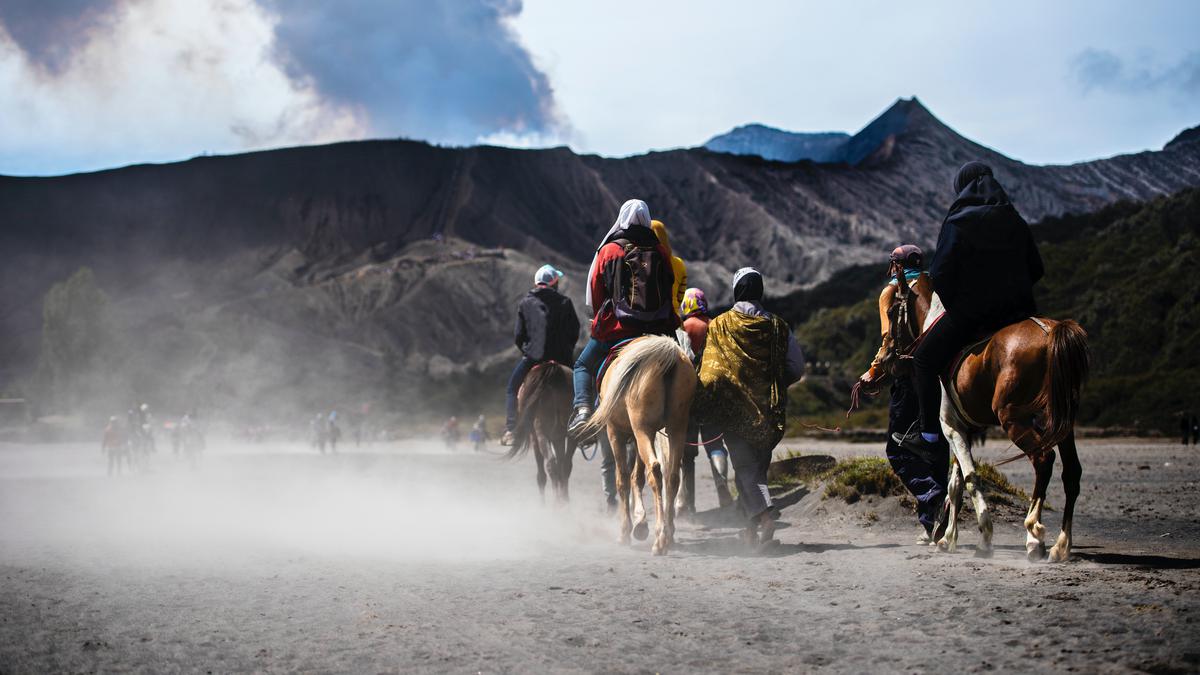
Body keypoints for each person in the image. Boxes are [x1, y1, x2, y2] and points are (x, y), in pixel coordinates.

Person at [893, 161, 1044, 456]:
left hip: (972, 317)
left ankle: (927, 436)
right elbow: (1037, 268)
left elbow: (940, 273)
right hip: (1018, 313)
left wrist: (961, 303)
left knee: (923, 361)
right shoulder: (1014, 218)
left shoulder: (959, 220)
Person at [696, 268, 805, 548]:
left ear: (736, 291)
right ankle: (749, 530)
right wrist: (775, 383)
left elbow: (709, 373)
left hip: (734, 413)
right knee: (756, 468)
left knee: (745, 468)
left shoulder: (720, 325)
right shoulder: (779, 326)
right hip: (769, 412)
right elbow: (796, 368)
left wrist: (708, 401)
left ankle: (766, 518)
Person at [859, 245, 950, 542]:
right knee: (934, 446)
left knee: (897, 449)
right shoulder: (934, 288)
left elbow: (889, 341)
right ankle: (933, 524)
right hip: (938, 380)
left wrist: (872, 374)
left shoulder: (892, 292)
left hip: (908, 382)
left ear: (896, 266)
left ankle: (933, 496)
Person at [568, 199, 679, 436]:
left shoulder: (610, 250)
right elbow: (669, 285)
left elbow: (596, 292)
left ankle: (583, 411)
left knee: (582, 365)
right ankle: (690, 410)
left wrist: (599, 319)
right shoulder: (659, 250)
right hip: (658, 328)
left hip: (618, 329)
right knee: (681, 365)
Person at [501, 264, 581, 446]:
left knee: (512, 389)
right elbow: (574, 332)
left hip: (533, 358)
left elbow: (518, 336)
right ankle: (584, 427)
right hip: (562, 358)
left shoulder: (525, 303)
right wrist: (566, 351)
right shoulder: (565, 302)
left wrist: (529, 352)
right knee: (583, 385)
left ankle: (512, 429)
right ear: (554, 283)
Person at [678, 288, 733, 512]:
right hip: (713, 395)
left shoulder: (682, 328)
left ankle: (686, 505)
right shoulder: (716, 326)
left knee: (686, 454)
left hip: (688, 397)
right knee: (715, 446)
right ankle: (723, 491)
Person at [650, 220, 688, 318]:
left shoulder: (644, 264)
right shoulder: (679, 263)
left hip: (650, 319)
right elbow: (680, 296)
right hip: (673, 318)